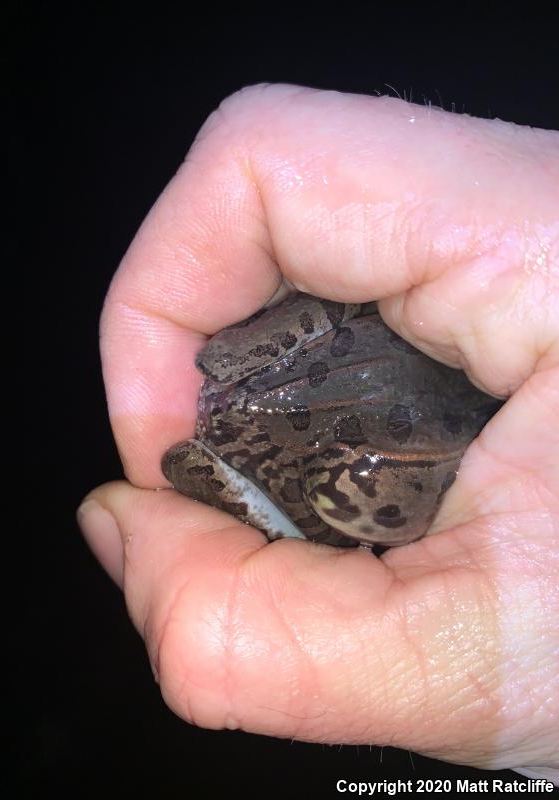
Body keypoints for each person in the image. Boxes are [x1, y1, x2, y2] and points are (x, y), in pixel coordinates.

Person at [77, 84, 558, 782]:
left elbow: (234, 351)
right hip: (266, 453)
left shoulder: (459, 357)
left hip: (244, 377)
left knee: (340, 347)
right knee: (352, 506)